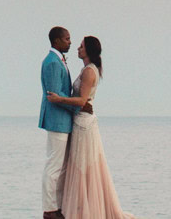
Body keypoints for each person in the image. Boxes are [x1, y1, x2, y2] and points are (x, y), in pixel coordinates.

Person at [47, 35, 137, 219]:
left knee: (82, 167)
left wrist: (58, 99)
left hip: (84, 124)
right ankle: (81, 207)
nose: (77, 48)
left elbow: (81, 101)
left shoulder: (89, 71)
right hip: (80, 120)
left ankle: (84, 211)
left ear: (89, 50)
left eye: (81, 46)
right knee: (79, 166)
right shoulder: (87, 69)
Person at [38, 26, 79, 219]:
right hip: (57, 119)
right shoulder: (53, 62)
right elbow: (55, 94)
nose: (70, 42)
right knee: (54, 165)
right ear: (56, 41)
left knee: (60, 167)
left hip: (62, 119)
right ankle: (49, 209)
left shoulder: (57, 60)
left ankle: (58, 205)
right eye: (67, 39)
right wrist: (78, 106)